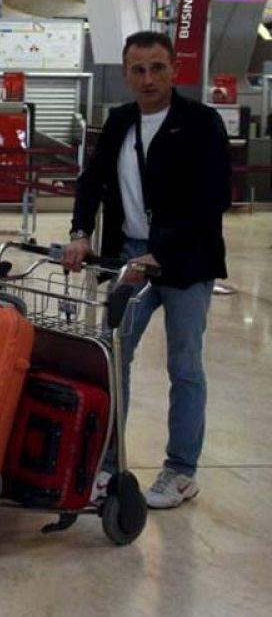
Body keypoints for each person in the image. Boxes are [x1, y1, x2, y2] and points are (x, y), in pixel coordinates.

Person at [61, 30, 229, 509]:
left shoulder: (200, 122)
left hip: (185, 262)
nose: (148, 78)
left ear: (175, 69)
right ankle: (109, 464)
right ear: (126, 73)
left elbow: (214, 198)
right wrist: (79, 233)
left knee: (184, 364)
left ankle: (180, 470)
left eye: (158, 67)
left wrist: (164, 250)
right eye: (139, 69)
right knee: (114, 358)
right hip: (127, 257)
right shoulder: (119, 122)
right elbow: (91, 181)